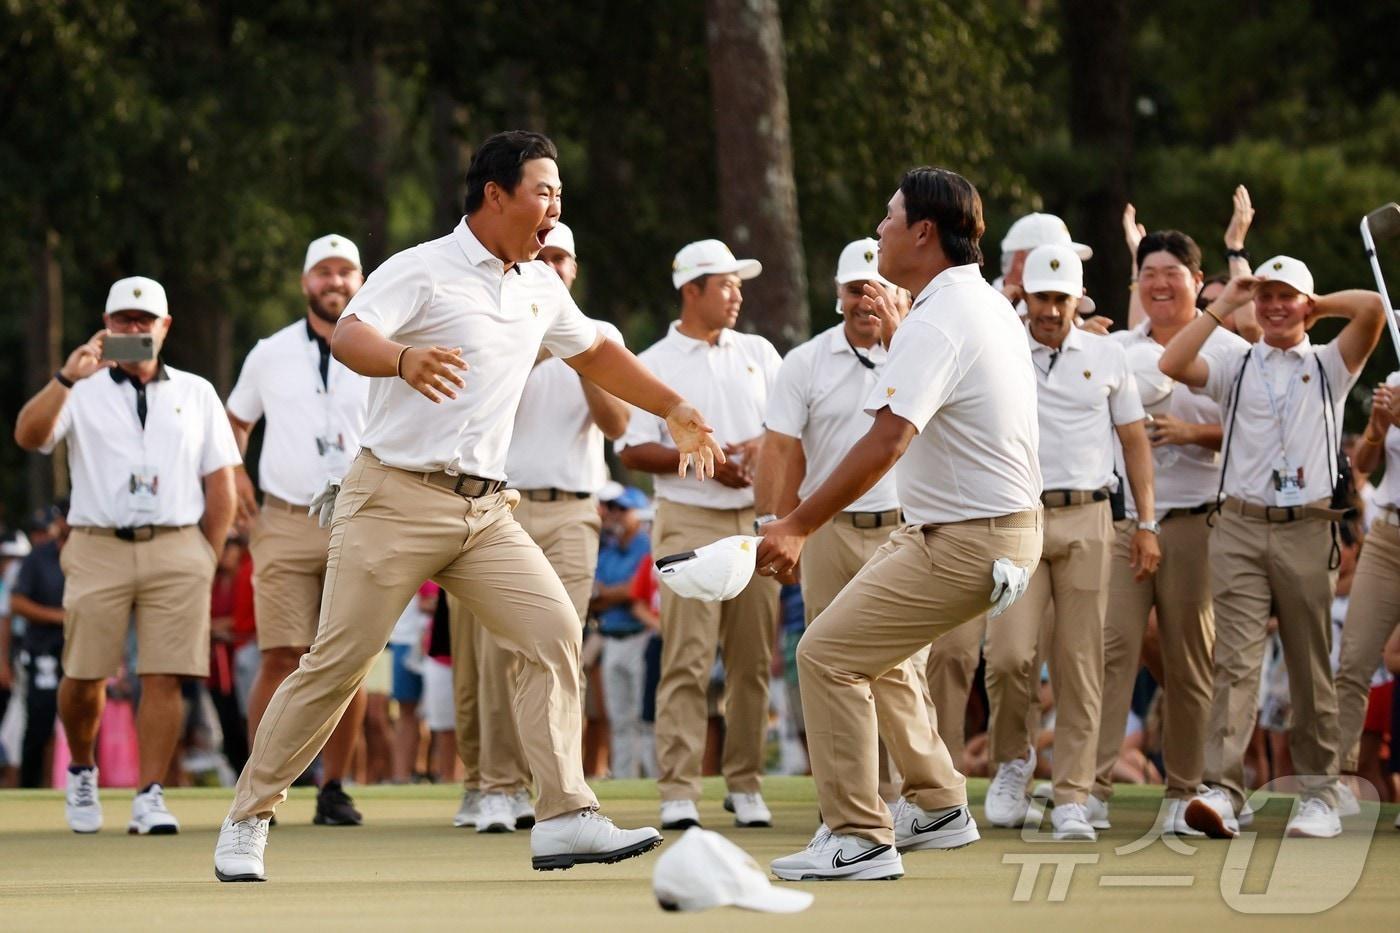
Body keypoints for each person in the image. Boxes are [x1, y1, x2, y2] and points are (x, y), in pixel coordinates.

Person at [215, 130, 724, 881]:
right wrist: (402, 358)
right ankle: (248, 816)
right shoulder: (422, 268)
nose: (555, 207)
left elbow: (595, 352)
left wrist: (674, 402)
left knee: (553, 631)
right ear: (496, 195)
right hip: (392, 498)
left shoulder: (541, 284)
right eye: (544, 191)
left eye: (559, 194)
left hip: (485, 512)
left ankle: (563, 816)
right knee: (337, 665)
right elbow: (352, 332)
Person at [757, 167, 1044, 881]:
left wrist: (794, 523)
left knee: (826, 654)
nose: (878, 229)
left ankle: (858, 836)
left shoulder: (941, 317)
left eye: (888, 217)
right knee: (868, 652)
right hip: (975, 530)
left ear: (922, 231)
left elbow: (887, 442)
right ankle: (940, 802)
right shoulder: (963, 305)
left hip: (970, 536)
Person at [1160, 255, 1386, 838]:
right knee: (1234, 660)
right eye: (1268, 296)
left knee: (1310, 661)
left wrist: (1318, 303)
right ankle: (1223, 790)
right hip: (1237, 522)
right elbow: (1173, 361)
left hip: (1307, 524)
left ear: (1306, 305)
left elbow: (1372, 307)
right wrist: (1227, 303)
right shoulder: (1237, 360)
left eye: (1287, 297)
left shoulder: (1329, 363)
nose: (1276, 306)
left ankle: (1320, 790)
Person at [14, 275, 240, 834]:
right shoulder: (80, 387)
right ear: (106, 324)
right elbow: (29, 435)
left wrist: (205, 556)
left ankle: (149, 793)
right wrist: (68, 374)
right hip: (97, 544)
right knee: (85, 673)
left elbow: (221, 483)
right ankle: (83, 770)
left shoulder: (196, 391)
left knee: (165, 675)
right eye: (122, 320)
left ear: (164, 327)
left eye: (144, 321)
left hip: (177, 542)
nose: (132, 329)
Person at [447, 220, 629, 834]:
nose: (552, 266)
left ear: (573, 271)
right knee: (500, 651)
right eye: (543, 255)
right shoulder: (496, 326)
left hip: (576, 508)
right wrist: (534, 344)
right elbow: (478, 402)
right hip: (503, 504)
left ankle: (552, 786)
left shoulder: (598, 336)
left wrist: (577, 354)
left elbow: (617, 424)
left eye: (562, 260)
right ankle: (495, 784)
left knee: (559, 642)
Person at [981, 244, 1158, 842]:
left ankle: (1074, 795)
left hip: (1088, 517)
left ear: (1076, 301)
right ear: (1023, 299)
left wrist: (1148, 522)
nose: (1051, 310)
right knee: (1008, 656)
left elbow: (1134, 441)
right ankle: (1012, 762)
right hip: (1016, 519)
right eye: (1040, 298)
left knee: (1083, 662)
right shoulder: (1001, 349)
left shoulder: (1107, 354)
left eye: (1061, 299)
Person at [618, 238, 782, 831]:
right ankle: (679, 789)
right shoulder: (654, 361)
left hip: (752, 519)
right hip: (687, 515)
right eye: (726, 285)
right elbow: (633, 449)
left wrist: (759, 449)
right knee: (686, 658)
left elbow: (788, 430)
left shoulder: (761, 353)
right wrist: (702, 457)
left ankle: (744, 784)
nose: (737, 295)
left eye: (739, 284)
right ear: (692, 290)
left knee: (751, 661)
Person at [1094, 230, 1247, 835]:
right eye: (1148, 272)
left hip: (1199, 522)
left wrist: (1191, 432)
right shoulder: (1117, 348)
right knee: (1111, 652)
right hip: (1126, 520)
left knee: (1190, 663)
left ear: (1195, 279)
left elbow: (1254, 434)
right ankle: (1090, 788)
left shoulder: (1233, 350)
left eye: (1172, 272)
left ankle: (1185, 792)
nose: (1160, 283)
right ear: (1138, 284)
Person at [755, 236, 915, 797]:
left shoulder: (919, 352)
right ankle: (852, 799)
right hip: (827, 532)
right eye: (855, 290)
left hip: (903, 530)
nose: (866, 301)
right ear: (837, 296)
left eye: (878, 290)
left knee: (903, 668)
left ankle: (909, 799)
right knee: (830, 663)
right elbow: (777, 449)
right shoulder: (805, 362)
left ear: (897, 295)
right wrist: (774, 527)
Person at [226, 233, 372, 827]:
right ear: (305, 282)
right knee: (280, 654)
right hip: (285, 517)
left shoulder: (381, 342)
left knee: (349, 657)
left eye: (345, 272)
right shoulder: (270, 351)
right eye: (323, 272)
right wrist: (235, 477)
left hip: (362, 514)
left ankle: (334, 787)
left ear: (360, 281)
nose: (334, 282)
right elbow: (236, 421)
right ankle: (261, 784)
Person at [1335, 375, 1400, 791]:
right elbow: (1362, 464)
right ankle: (1334, 787)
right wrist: (1377, 428)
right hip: (1389, 534)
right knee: (1353, 660)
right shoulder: (1396, 381)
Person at [591, 486, 655, 779]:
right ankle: (625, 779)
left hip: (640, 636)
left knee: (643, 716)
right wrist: (618, 594)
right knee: (618, 718)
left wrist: (613, 593)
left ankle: (650, 778)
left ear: (637, 514)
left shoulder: (647, 545)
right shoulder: (610, 547)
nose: (615, 513)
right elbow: (595, 594)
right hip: (611, 637)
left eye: (622, 509)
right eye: (612, 508)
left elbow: (634, 591)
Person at [8, 505, 68, 787]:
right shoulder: (38, 557)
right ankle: (30, 787)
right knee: (40, 721)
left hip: (81, 652)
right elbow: (16, 603)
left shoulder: (96, 555)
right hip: (43, 650)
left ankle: (81, 787)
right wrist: (59, 617)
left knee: (85, 723)